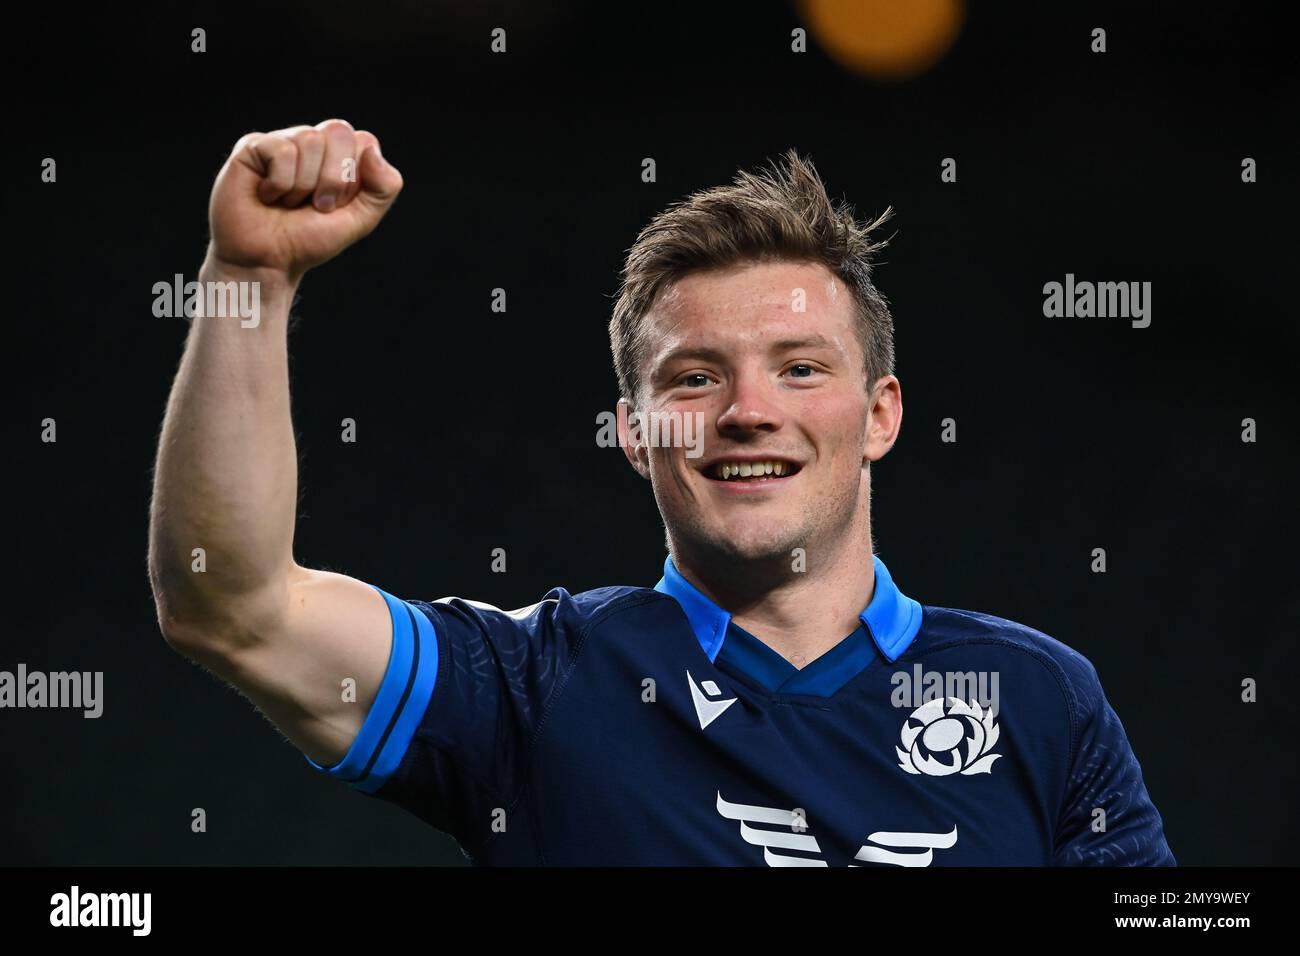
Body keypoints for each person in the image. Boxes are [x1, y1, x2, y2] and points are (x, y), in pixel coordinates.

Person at [148, 118, 1175, 866]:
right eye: (695, 376)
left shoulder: (1039, 697)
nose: (747, 409)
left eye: (801, 368)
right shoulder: (534, 687)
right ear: (636, 433)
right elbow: (231, 605)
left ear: (880, 414)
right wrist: (249, 275)